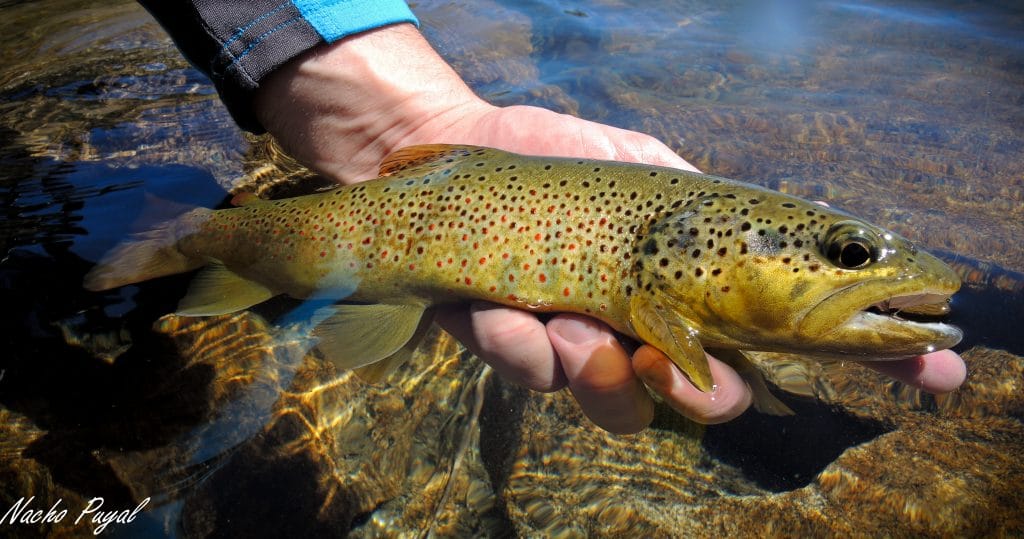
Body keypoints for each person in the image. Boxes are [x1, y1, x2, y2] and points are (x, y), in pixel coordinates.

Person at [137, 1, 967, 434]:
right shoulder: (673, 286)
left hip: (392, 207)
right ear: (701, 248)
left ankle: (205, 242)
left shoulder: (684, 270)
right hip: (368, 214)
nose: (878, 275)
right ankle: (204, 240)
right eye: (851, 255)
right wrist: (411, 128)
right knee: (339, 300)